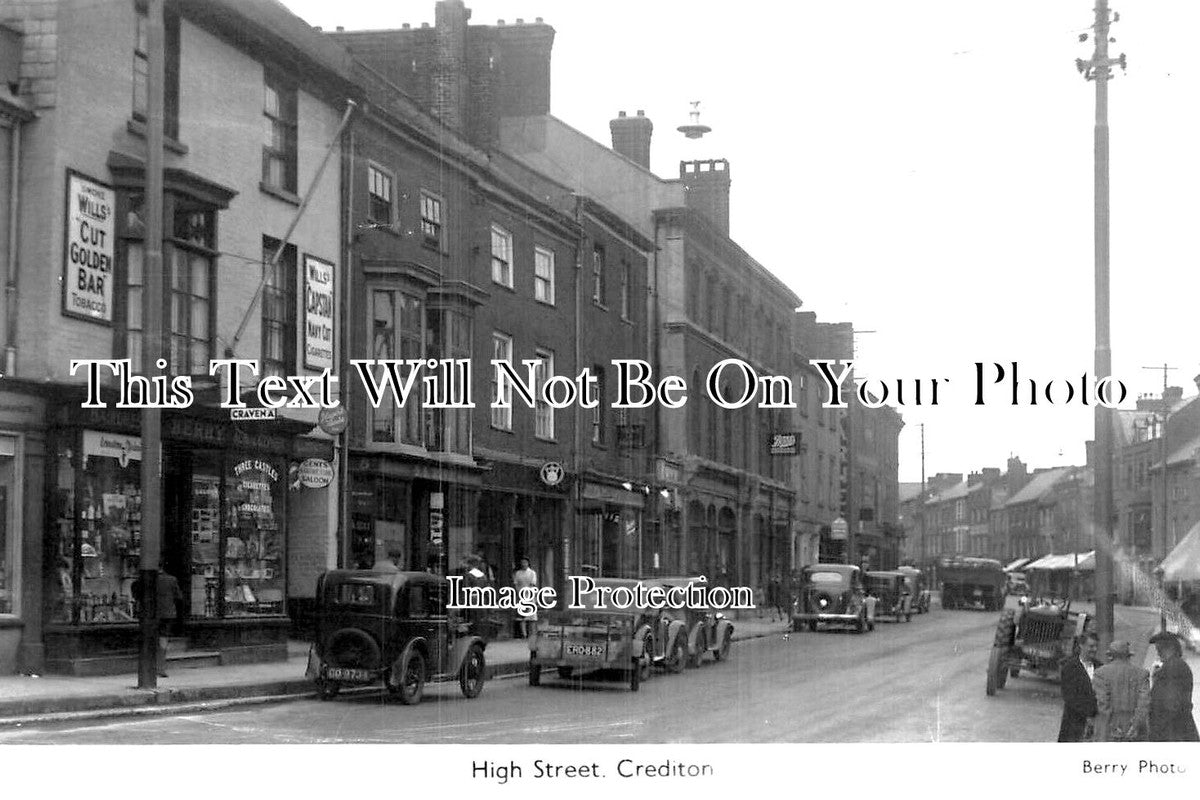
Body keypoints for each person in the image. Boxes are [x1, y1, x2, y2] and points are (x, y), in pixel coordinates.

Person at [1092, 640, 1149, 742]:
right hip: (1136, 732)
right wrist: (1135, 725)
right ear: (1128, 655)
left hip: (1109, 731)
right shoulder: (1142, 674)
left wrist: (1112, 726)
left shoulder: (1100, 674)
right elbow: (1144, 703)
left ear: (1110, 656)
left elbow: (1102, 704)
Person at [1147, 631, 1200, 741]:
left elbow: (1171, 702)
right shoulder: (1174, 665)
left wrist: (1160, 725)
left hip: (1173, 731)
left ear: (1170, 648)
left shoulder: (1173, 667)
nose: (1158, 654)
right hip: (1176, 728)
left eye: (1159, 650)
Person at [131, 566, 183, 678]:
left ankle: (150, 666)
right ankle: (161, 668)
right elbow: (179, 596)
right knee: (163, 640)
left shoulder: (147, 580)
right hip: (167, 614)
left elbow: (136, 593)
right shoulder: (171, 579)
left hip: (151, 614)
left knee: (150, 638)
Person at [1058, 633, 1100, 742]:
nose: (1094, 649)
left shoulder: (1100, 667)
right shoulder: (1069, 667)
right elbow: (1069, 696)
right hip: (1073, 721)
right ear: (1081, 645)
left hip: (1096, 721)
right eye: (1091, 646)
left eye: (1096, 646)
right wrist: (1087, 716)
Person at [512, 556, 538, 638]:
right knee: (522, 617)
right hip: (521, 595)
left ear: (528, 563)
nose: (523, 564)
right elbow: (516, 584)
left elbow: (533, 583)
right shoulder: (518, 573)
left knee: (532, 617)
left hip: (529, 595)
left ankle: (532, 633)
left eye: (525, 562)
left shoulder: (532, 573)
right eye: (522, 563)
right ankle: (524, 634)